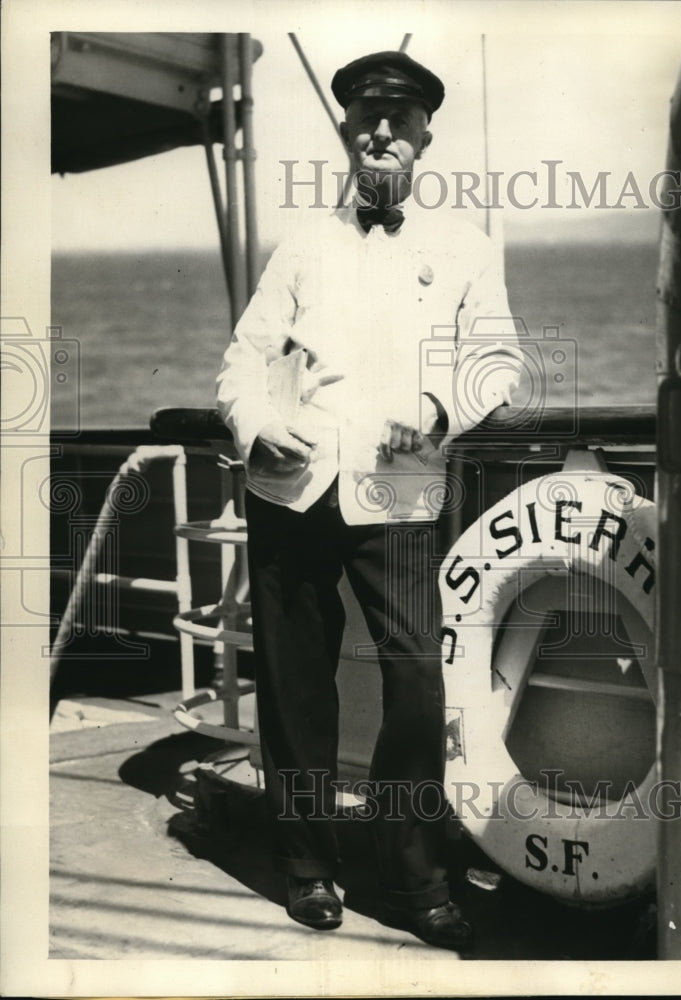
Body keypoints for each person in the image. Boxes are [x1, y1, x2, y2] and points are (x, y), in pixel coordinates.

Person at [216, 50, 522, 950]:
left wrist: (435, 406)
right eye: (366, 119)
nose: (381, 132)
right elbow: (243, 358)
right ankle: (308, 868)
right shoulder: (305, 244)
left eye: (398, 119)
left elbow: (498, 361)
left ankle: (413, 870)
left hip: (399, 481)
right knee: (294, 685)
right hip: (291, 484)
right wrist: (254, 423)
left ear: (426, 134)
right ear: (350, 132)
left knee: (417, 682)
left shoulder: (465, 248)